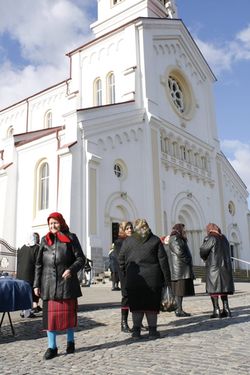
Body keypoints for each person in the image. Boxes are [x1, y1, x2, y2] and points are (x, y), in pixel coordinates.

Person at [34, 212, 86, 360]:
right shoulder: (45, 240)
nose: (53, 226)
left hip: (67, 284)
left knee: (68, 315)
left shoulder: (71, 238)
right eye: (50, 223)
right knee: (50, 319)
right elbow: (39, 264)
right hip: (48, 284)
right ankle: (52, 347)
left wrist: (71, 269)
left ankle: (70, 342)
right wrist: (36, 284)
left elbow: (81, 259)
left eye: (55, 222)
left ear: (61, 223)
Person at [119, 219, 171, 339]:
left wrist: (126, 274)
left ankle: (136, 331)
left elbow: (121, 259)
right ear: (147, 227)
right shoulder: (155, 240)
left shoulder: (128, 241)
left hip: (134, 279)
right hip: (153, 279)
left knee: (136, 306)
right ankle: (152, 331)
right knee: (151, 306)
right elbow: (163, 261)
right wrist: (167, 280)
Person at [200, 223, 234, 318]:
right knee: (223, 289)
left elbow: (203, 250)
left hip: (214, 267)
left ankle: (216, 310)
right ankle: (227, 310)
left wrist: (204, 258)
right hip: (225, 268)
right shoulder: (224, 239)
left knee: (214, 289)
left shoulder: (210, 238)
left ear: (210, 229)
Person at [168, 223, 195, 317]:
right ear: (179, 229)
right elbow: (179, 251)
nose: (185, 231)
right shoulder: (175, 238)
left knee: (180, 291)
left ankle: (179, 309)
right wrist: (188, 259)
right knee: (179, 291)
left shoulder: (178, 238)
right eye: (183, 229)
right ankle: (178, 310)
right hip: (179, 269)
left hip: (181, 268)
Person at [113, 221, 133, 332]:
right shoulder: (119, 243)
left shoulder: (134, 241)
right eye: (127, 228)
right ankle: (123, 323)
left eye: (131, 228)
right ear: (123, 230)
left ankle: (137, 322)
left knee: (136, 297)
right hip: (125, 273)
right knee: (126, 298)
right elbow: (120, 258)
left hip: (136, 273)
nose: (130, 230)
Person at [16, 232, 41, 318]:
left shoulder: (21, 248)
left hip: (20, 275)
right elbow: (38, 262)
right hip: (30, 274)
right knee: (29, 294)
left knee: (24, 294)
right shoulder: (36, 248)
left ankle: (23, 312)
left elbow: (18, 261)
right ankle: (27, 312)